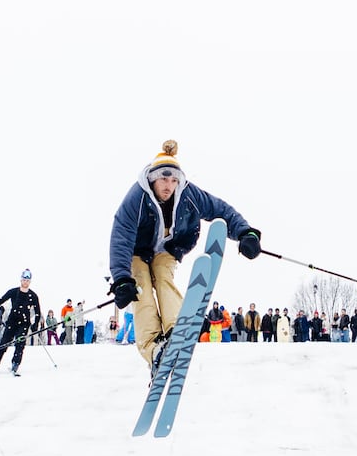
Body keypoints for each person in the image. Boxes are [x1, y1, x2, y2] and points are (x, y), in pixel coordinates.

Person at [107, 140, 260, 374]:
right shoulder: (136, 197)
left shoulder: (188, 193)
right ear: (152, 178)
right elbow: (121, 235)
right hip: (136, 251)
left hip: (169, 248)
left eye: (173, 180)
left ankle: (175, 332)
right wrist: (121, 279)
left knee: (162, 276)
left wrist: (244, 232)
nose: (169, 186)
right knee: (141, 288)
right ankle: (153, 349)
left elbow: (221, 209)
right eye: (163, 179)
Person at [0, 269, 40, 376]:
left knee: (20, 344)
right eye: (24, 280)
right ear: (21, 280)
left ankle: (15, 364)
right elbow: (2, 299)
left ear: (30, 282)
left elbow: (38, 312)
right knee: (4, 343)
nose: (25, 282)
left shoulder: (33, 295)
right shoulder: (14, 292)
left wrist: (35, 324)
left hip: (24, 323)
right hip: (12, 321)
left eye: (28, 281)